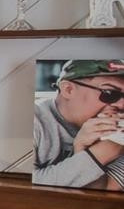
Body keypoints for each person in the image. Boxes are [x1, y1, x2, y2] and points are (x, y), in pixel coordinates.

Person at [33, 59, 124, 190]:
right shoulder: (33, 119)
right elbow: (21, 188)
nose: (122, 105)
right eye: (109, 93)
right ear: (68, 90)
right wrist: (98, 154)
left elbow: (103, 192)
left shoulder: (119, 134)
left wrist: (81, 151)